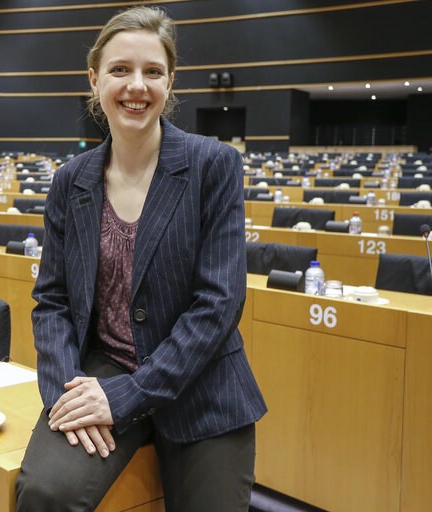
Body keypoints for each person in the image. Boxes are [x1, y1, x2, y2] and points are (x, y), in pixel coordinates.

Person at [15, 6, 267, 512]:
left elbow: (219, 302)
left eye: (153, 71)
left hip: (202, 381)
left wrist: (130, 394)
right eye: (120, 69)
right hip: (101, 370)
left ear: (170, 82)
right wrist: (66, 396)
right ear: (94, 78)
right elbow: (52, 301)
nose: (137, 85)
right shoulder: (70, 181)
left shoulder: (212, 164)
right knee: (44, 493)